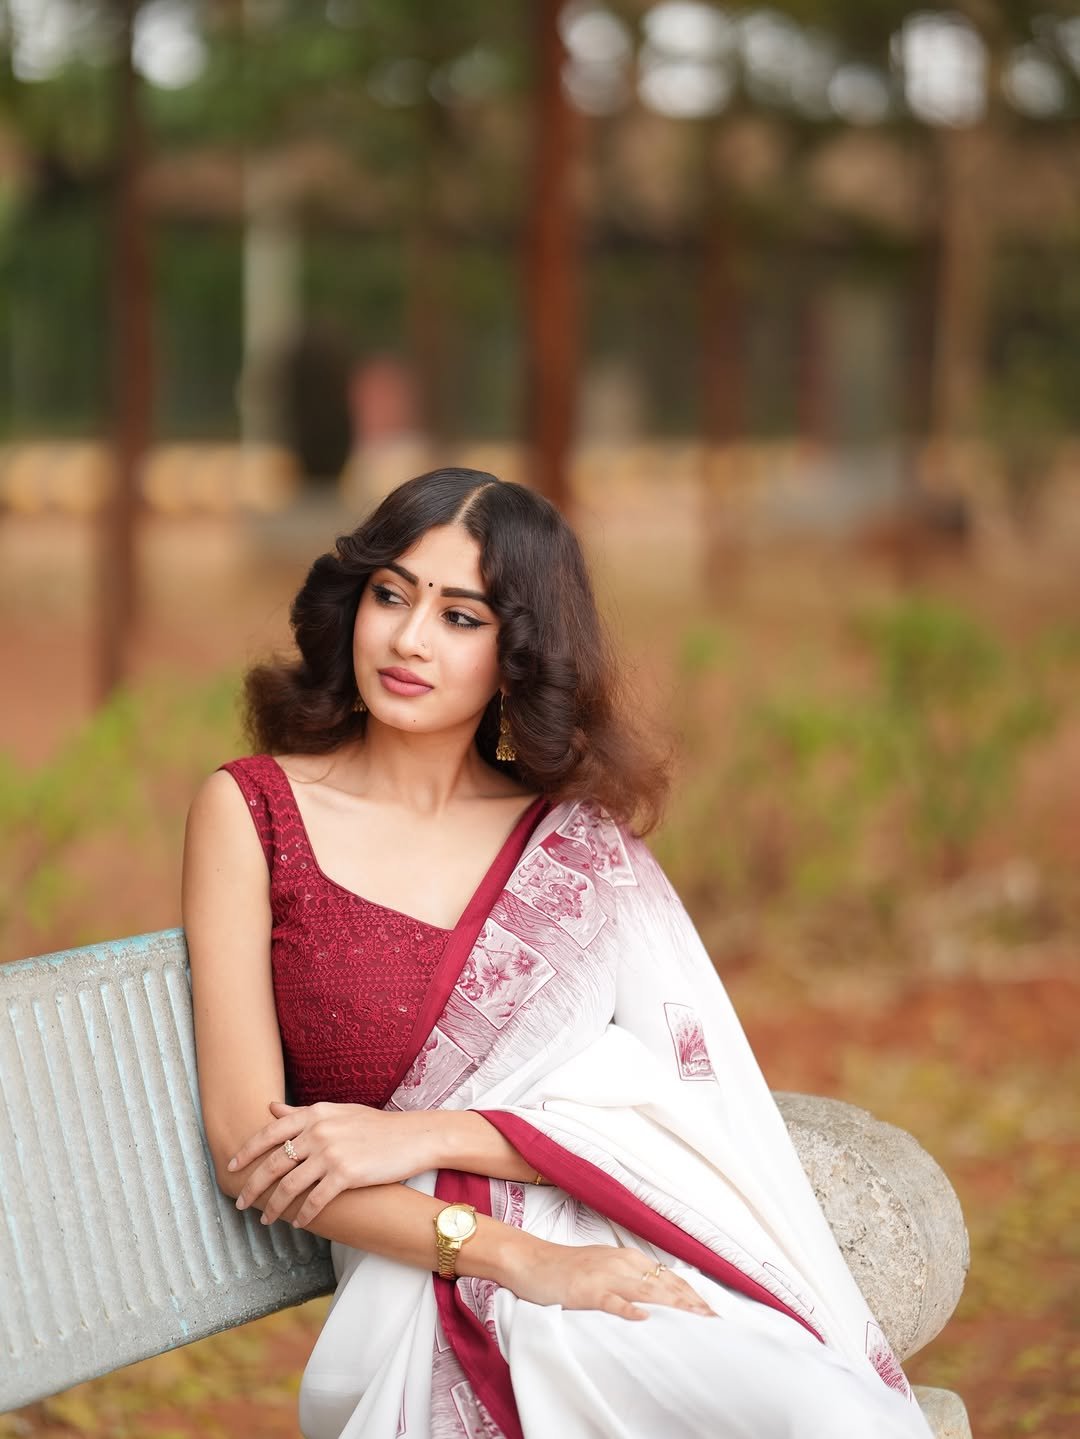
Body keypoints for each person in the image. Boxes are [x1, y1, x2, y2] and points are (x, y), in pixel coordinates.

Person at [182, 467, 934, 1439]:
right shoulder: (253, 812)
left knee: (830, 1412)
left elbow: (668, 1107)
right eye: (391, 594)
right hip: (439, 1286)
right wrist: (516, 1258)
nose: (410, 639)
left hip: (617, 1248)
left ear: (518, 652)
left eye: (462, 617)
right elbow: (251, 1146)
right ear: (351, 602)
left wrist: (431, 1131)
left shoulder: (572, 851)